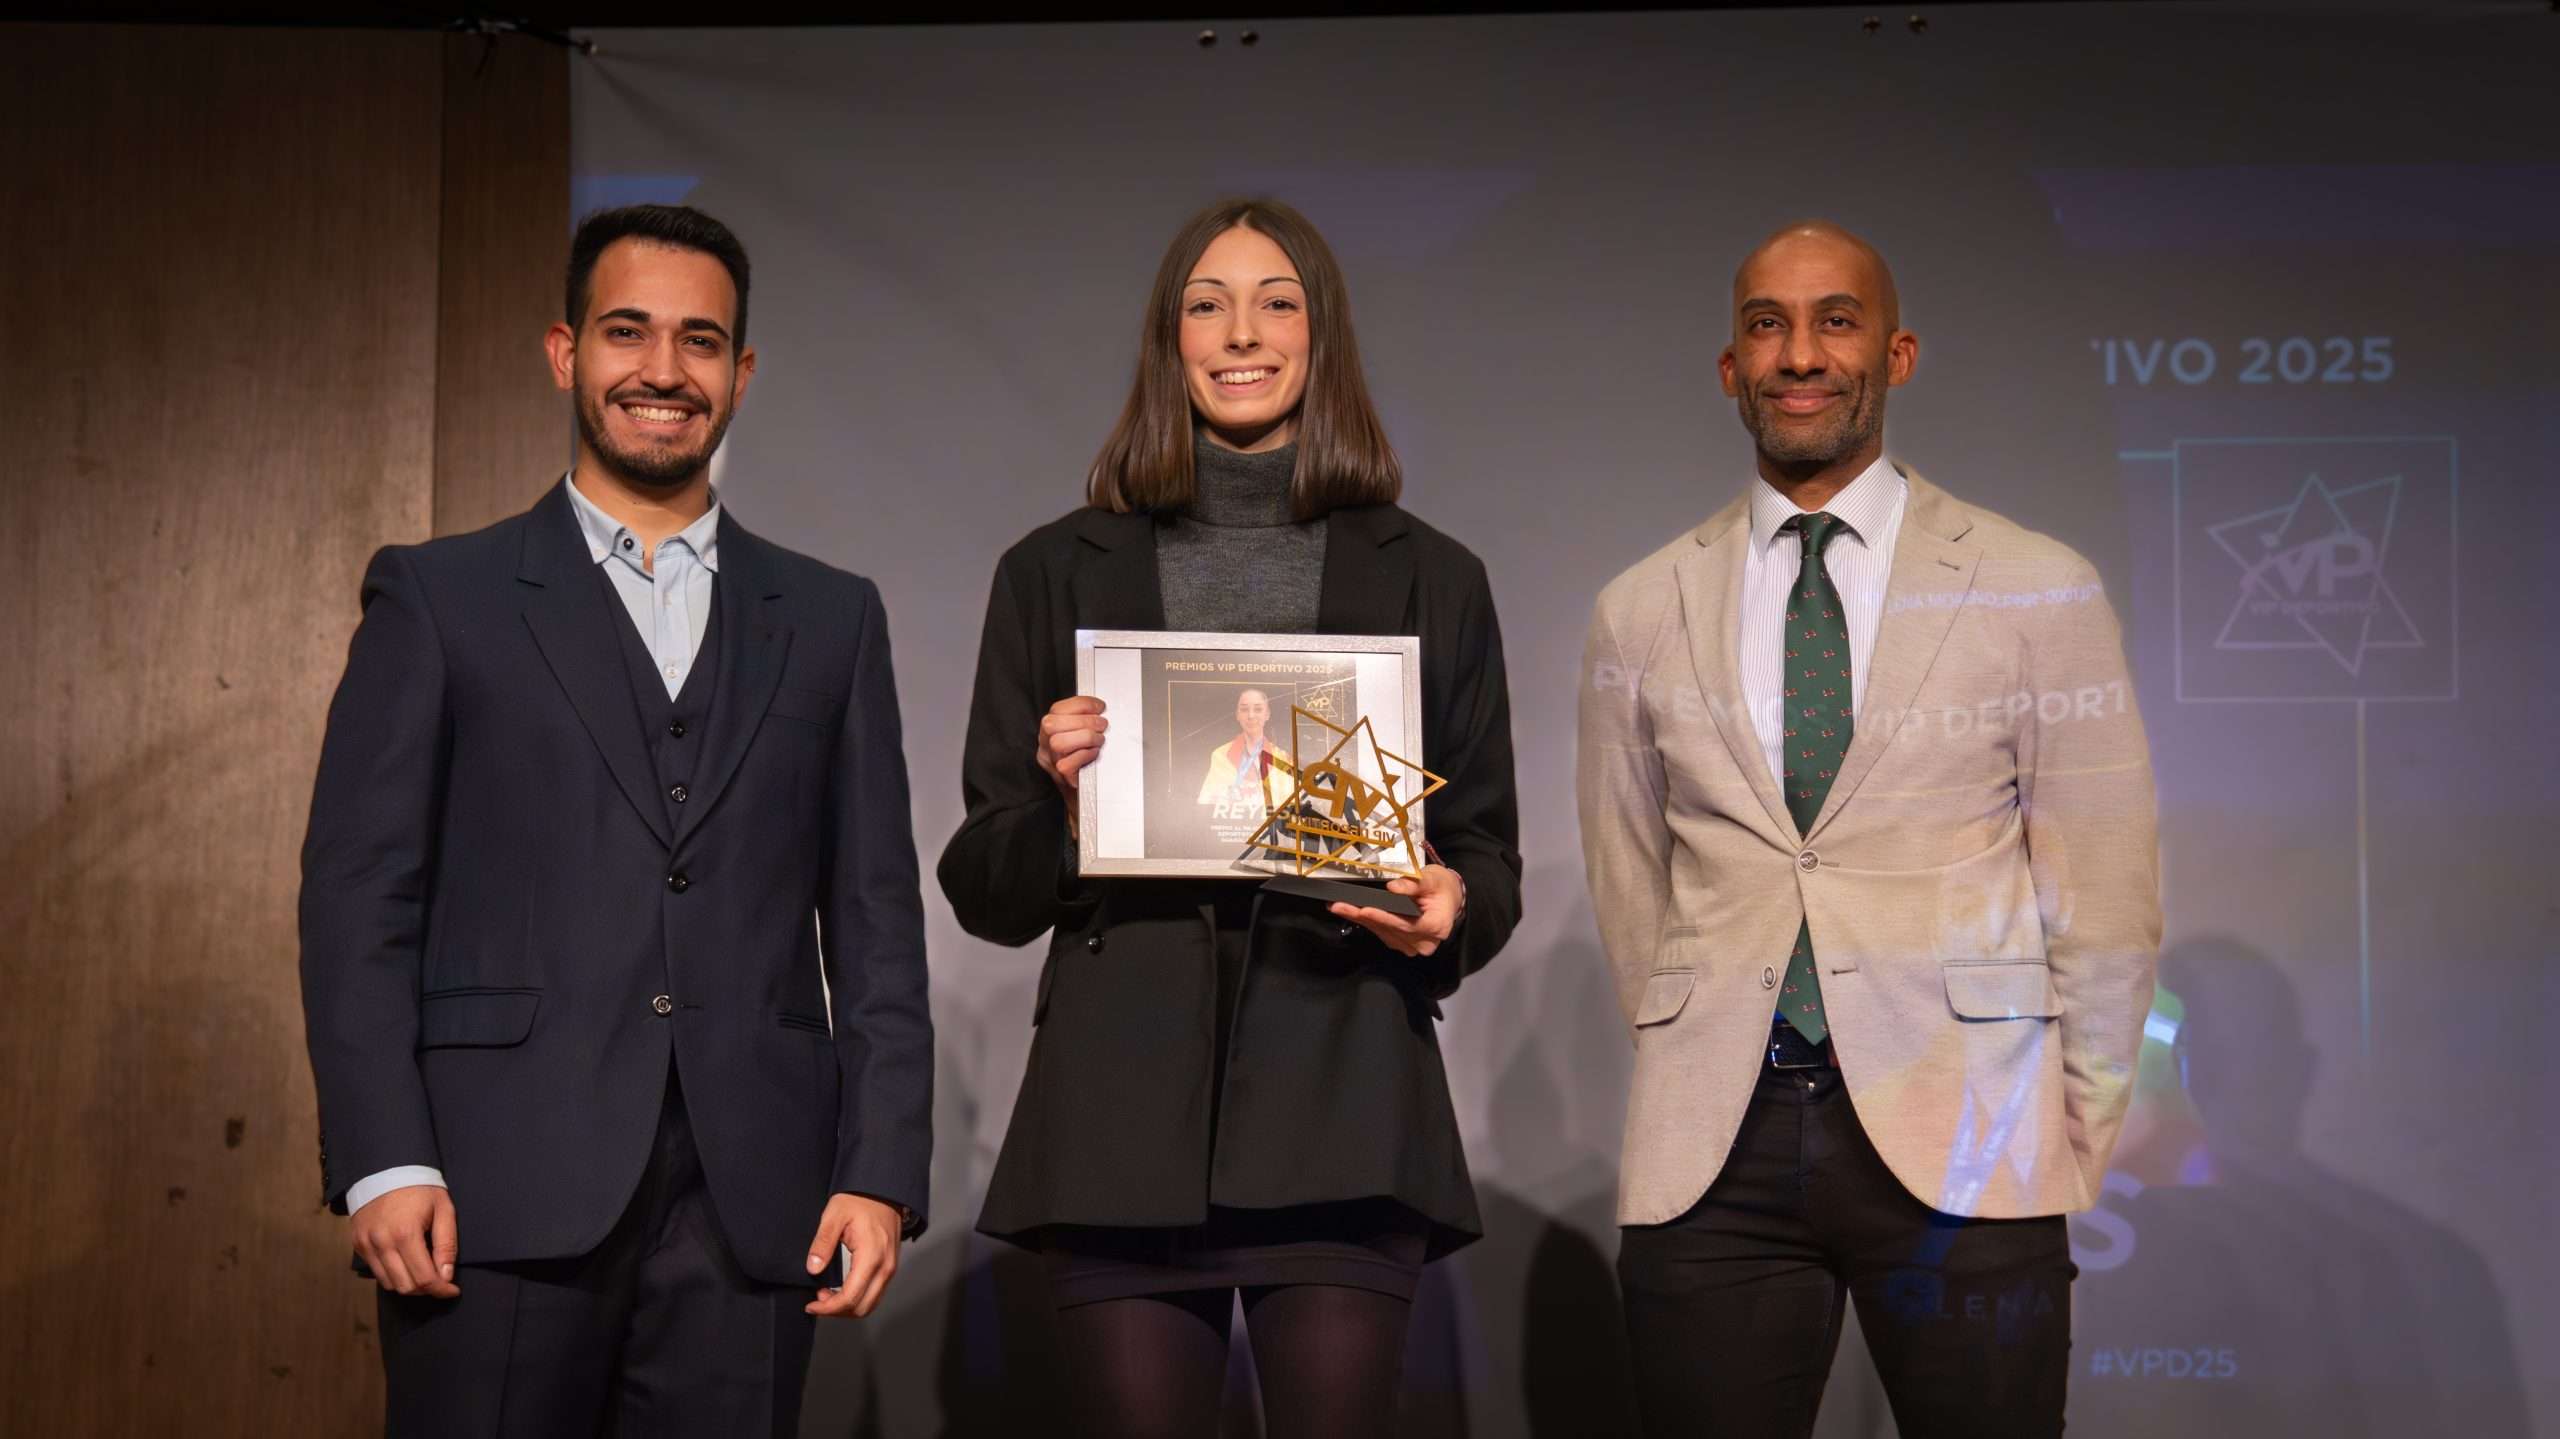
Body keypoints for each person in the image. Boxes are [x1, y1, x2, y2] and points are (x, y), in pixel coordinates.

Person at [298, 203, 933, 1437]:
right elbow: (359, 896)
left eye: (701, 340)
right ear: (565, 352)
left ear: (741, 372)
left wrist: (879, 1165)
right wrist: (383, 1153)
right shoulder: (439, 596)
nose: (663, 369)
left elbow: (875, 919)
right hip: (489, 1189)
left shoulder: (832, 617)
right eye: (627, 331)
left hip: (754, 1200)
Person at [938, 197, 1521, 1439]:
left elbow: (1483, 848)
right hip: (1119, 1112)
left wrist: (1453, 904)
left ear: (1322, 335)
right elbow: (984, 881)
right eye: (1207, 304)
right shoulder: (1051, 570)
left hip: (1347, 1094)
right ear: (1171, 339)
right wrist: (1065, 804)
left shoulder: (1434, 575)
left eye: (1275, 302)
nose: (1240, 332)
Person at [1577, 220, 2160, 1438]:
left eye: (1835, 321)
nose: (1800, 354)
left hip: (1971, 1130)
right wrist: (1697, 1041)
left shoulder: (2034, 582)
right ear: (1729, 366)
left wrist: (2063, 1136)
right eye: (1767, 326)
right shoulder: (1639, 606)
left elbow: (2103, 889)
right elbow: (1631, 883)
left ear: (1895, 355)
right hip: (1715, 1147)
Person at [1196, 686, 1290, 803]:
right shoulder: (1221, 755)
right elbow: (1207, 801)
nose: (1251, 716)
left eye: (1258, 709)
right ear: (1237, 715)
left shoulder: (1282, 758)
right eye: (1244, 709)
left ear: (1267, 714)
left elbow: (1290, 802)